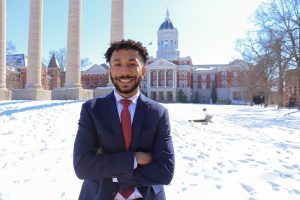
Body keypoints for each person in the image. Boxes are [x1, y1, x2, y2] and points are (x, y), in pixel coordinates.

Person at [73, 39, 175, 200]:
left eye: (132, 64)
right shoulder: (92, 110)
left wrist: (108, 168)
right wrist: (136, 159)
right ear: (110, 71)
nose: (124, 72)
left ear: (143, 71)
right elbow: (83, 167)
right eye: (117, 64)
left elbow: (165, 172)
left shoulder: (158, 113)